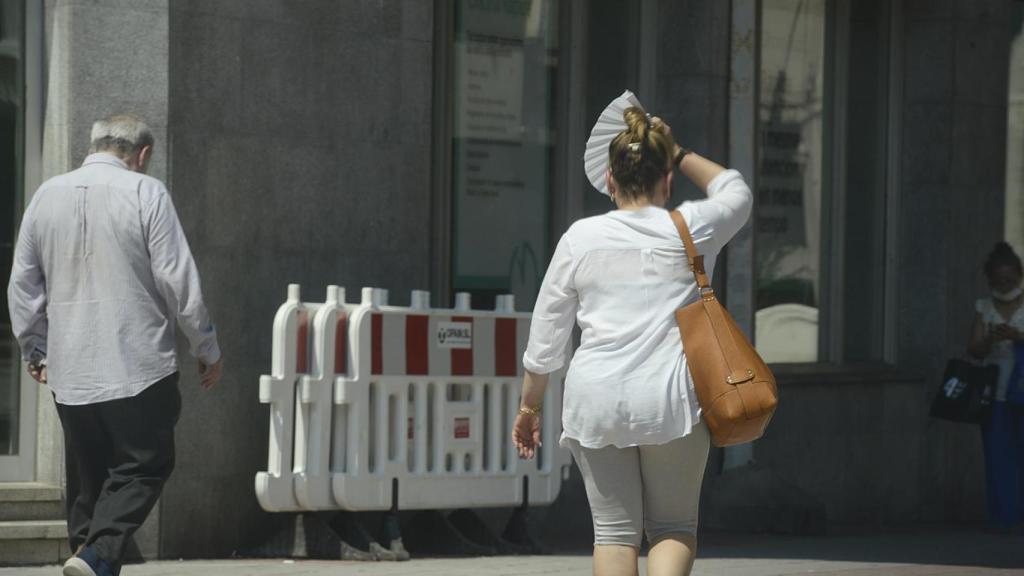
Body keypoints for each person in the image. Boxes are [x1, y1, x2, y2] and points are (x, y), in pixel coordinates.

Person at [513, 108, 752, 576]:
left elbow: (548, 335)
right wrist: (679, 151)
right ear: (666, 179)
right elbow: (735, 190)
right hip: (671, 401)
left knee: (614, 534)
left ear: (608, 179)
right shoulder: (692, 228)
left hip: (596, 400)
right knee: (673, 528)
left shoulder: (580, 238)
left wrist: (529, 408)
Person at [7, 114, 223, 576]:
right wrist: (206, 347)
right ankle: (98, 555)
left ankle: (86, 557)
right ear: (142, 155)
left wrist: (35, 348)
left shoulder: (45, 195)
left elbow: (22, 287)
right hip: (138, 364)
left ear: (94, 144)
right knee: (146, 464)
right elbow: (179, 281)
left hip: (70, 371)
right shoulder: (147, 192)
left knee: (90, 479)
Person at [967, 241, 1024, 532]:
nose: (1005, 285)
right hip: (995, 393)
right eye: (999, 281)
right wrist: (991, 339)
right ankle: (1005, 516)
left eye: (1010, 280)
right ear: (990, 280)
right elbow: (974, 349)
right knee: (999, 457)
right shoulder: (984, 307)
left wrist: (1017, 336)